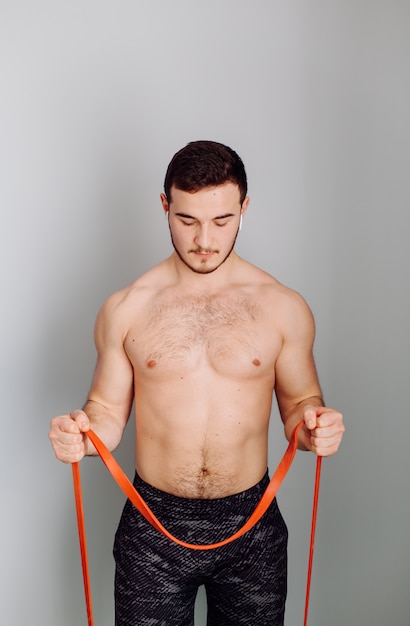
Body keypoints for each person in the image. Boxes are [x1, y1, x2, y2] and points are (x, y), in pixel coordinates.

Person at [49, 140, 345, 626]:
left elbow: (301, 403)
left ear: (244, 209)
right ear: (165, 205)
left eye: (222, 221)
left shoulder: (282, 306)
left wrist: (315, 426)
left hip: (252, 527)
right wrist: (79, 434)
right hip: (153, 527)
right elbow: (104, 413)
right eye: (187, 220)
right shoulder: (127, 308)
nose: (204, 239)